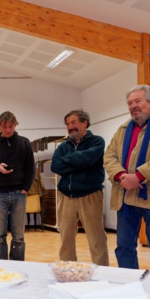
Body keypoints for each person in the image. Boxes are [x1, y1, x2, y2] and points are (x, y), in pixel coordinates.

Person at [104, 84, 150, 270]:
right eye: (129, 103)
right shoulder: (123, 129)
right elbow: (109, 156)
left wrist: (138, 176)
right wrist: (121, 176)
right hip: (125, 197)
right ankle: (130, 286)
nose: (133, 106)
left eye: (138, 101)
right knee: (124, 247)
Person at [51, 110, 109, 266]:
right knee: (66, 239)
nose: (70, 126)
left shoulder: (97, 141)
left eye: (74, 122)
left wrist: (68, 161)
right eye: (68, 124)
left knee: (96, 239)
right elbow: (55, 166)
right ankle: (68, 271)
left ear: (85, 122)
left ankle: (102, 272)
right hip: (66, 196)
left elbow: (89, 158)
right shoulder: (64, 146)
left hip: (90, 195)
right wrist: (80, 163)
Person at [0, 111, 35, 261]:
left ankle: (17, 267)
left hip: (19, 194)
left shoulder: (24, 142)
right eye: (4, 127)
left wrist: (25, 188)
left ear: (15, 125)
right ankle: (2, 267)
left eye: (11, 126)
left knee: (19, 237)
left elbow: (31, 168)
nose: (8, 130)